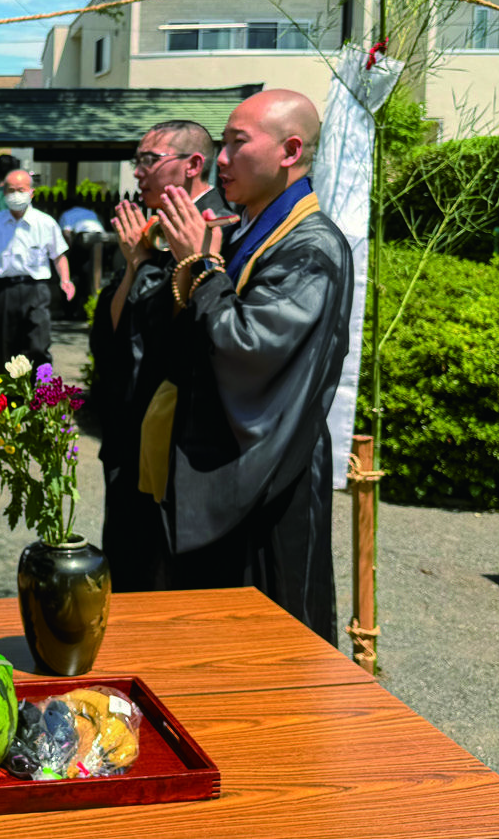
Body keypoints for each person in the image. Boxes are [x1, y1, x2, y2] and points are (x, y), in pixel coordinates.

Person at [146, 89, 352, 642]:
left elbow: (246, 343)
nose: (222, 159)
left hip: (271, 477)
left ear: (289, 150)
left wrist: (203, 264)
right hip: (233, 467)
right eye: (223, 144)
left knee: (266, 644)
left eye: (238, 143)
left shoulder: (312, 248)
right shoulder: (252, 230)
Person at [89, 120, 228, 593]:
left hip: (175, 424)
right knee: (125, 554)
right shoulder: (152, 229)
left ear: (192, 165)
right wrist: (134, 264)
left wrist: (152, 263)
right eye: (138, 161)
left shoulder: (216, 224)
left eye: (150, 160)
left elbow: (185, 326)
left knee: (158, 566)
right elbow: (110, 328)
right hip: (130, 413)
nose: (139, 173)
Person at [0, 170, 76, 375]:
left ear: (31, 192)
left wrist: (65, 279)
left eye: (21, 190)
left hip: (35, 288)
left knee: (38, 344)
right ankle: (8, 400)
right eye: (11, 190)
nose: (16, 195)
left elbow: (59, 255)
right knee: (5, 347)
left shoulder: (45, 222)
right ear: (4, 193)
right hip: (5, 289)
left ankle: (40, 394)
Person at [57, 204, 106, 317]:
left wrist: (68, 252)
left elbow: (66, 233)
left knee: (73, 276)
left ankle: (70, 310)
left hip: (83, 240)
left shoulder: (66, 214)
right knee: (88, 276)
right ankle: (86, 309)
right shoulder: (90, 212)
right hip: (100, 239)